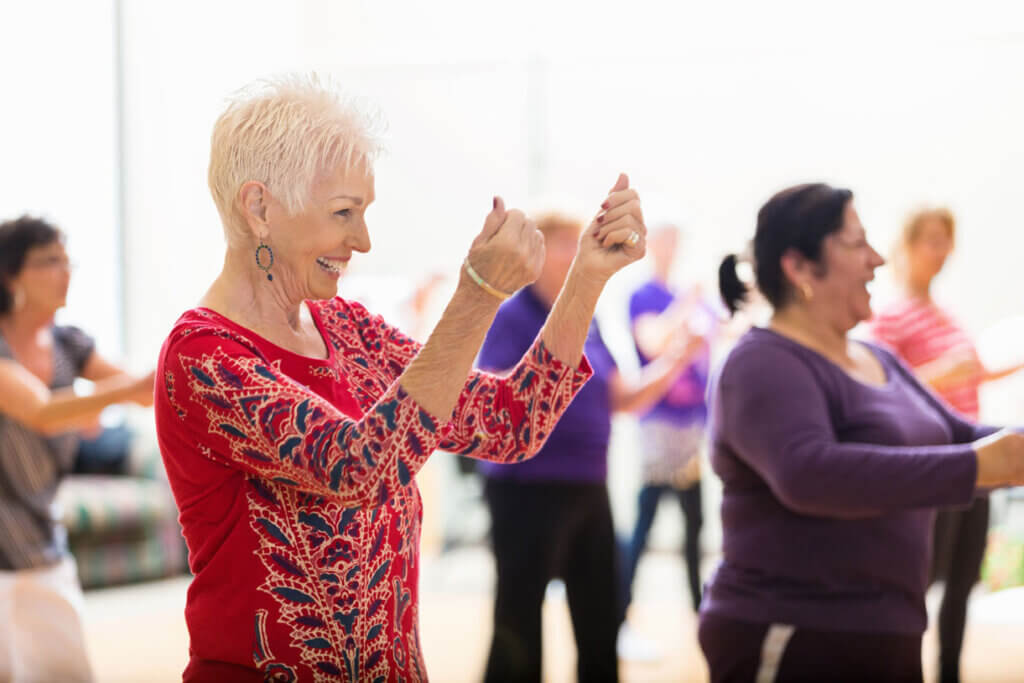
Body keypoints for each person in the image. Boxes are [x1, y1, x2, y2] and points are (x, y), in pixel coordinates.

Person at [152, 74, 647, 682]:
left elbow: (512, 423)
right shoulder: (204, 355)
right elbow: (360, 467)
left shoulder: (348, 327)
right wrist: (478, 294)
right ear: (259, 208)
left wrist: (587, 279)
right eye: (344, 213)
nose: (362, 240)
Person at [701, 183, 1024, 682]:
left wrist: (1002, 453)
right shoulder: (761, 362)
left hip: (887, 633)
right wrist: (979, 465)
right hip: (795, 634)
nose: (877, 259)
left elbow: (960, 434)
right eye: (856, 244)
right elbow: (809, 472)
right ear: (799, 267)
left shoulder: (879, 358)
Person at [477, 212, 702, 683]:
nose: (576, 255)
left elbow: (624, 397)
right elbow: (492, 402)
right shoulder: (511, 316)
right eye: (563, 244)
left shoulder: (590, 321)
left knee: (601, 618)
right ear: (535, 254)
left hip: (588, 483)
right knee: (518, 620)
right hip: (526, 488)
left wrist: (678, 355)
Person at [870, 207, 1024, 683]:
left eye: (946, 241)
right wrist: (943, 373)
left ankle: (949, 672)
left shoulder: (945, 314)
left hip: (972, 462)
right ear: (909, 245)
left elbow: (974, 370)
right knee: (923, 580)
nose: (941, 252)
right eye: (932, 240)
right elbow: (875, 391)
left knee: (962, 583)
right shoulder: (891, 316)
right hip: (933, 466)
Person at [0, 216, 155, 682]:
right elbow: (42, 410)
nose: (64, 273)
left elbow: (143, 391)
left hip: (40, 535)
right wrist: (100, 400)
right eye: (49, 261)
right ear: (10, 274)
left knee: (66, 671)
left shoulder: (69, 344)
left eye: (68, 262)